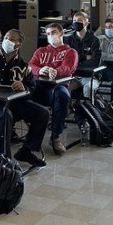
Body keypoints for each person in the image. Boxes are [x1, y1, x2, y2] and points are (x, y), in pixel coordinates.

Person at [0, 29, 50, 168]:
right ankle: (4, 158)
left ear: (19, 44)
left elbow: (32, 88)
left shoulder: (24, 66)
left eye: (12, 39)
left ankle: (26, 151)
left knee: (42, 114)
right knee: (4, 116)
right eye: (6, 38)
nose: (7, 41)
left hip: (13, 102)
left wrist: (23, 86)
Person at [29, 23, 78, 155]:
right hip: (39, 85)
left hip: (58, 86)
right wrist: (40, 70)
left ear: (61, 33)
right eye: (48, 33)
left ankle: (56, 136)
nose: (51, 36)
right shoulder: (40, 51)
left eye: (54, 32)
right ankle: (13, 132)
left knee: (62, 96)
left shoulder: (70, 52)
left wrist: (55, 71)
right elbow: (31, 65)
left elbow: (68, 68)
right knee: (22, 93)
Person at [64, 11, 102, 98]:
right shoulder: (68, 40)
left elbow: (95, 62)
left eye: (80, 20)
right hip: (73, 76)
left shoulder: (94, 40)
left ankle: (88, 110)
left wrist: (76, 61)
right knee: (63, 89)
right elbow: (67, 61)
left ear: (86, 23)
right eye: (74, 20)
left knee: (88, 88)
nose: (76, 22)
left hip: (90, 76)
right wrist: (84, 57)